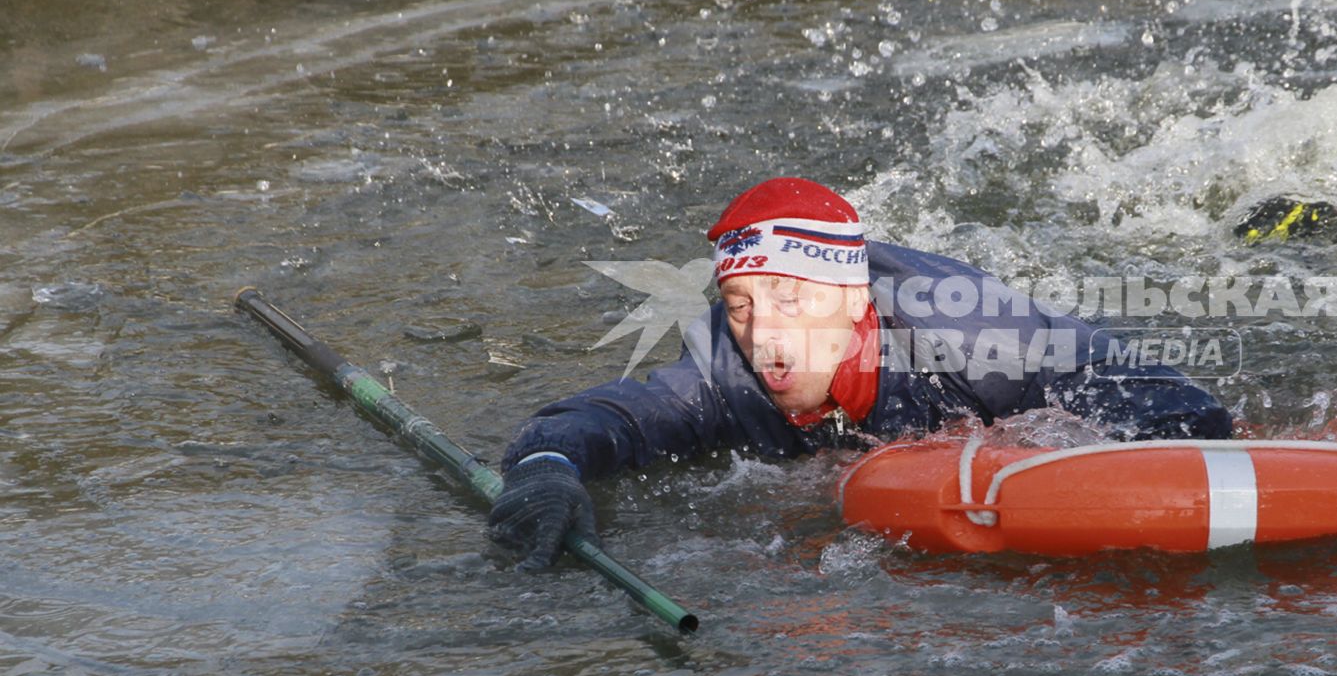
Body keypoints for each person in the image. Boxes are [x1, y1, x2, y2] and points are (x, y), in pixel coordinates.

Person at [487, 177, 1231, 568]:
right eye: (741, 304)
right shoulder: (725, 362)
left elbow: (1178, 408)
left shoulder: (973, 338)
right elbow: (616, 416)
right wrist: (547, 465)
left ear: (850, 300)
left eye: (789, 297)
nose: (766, 336)